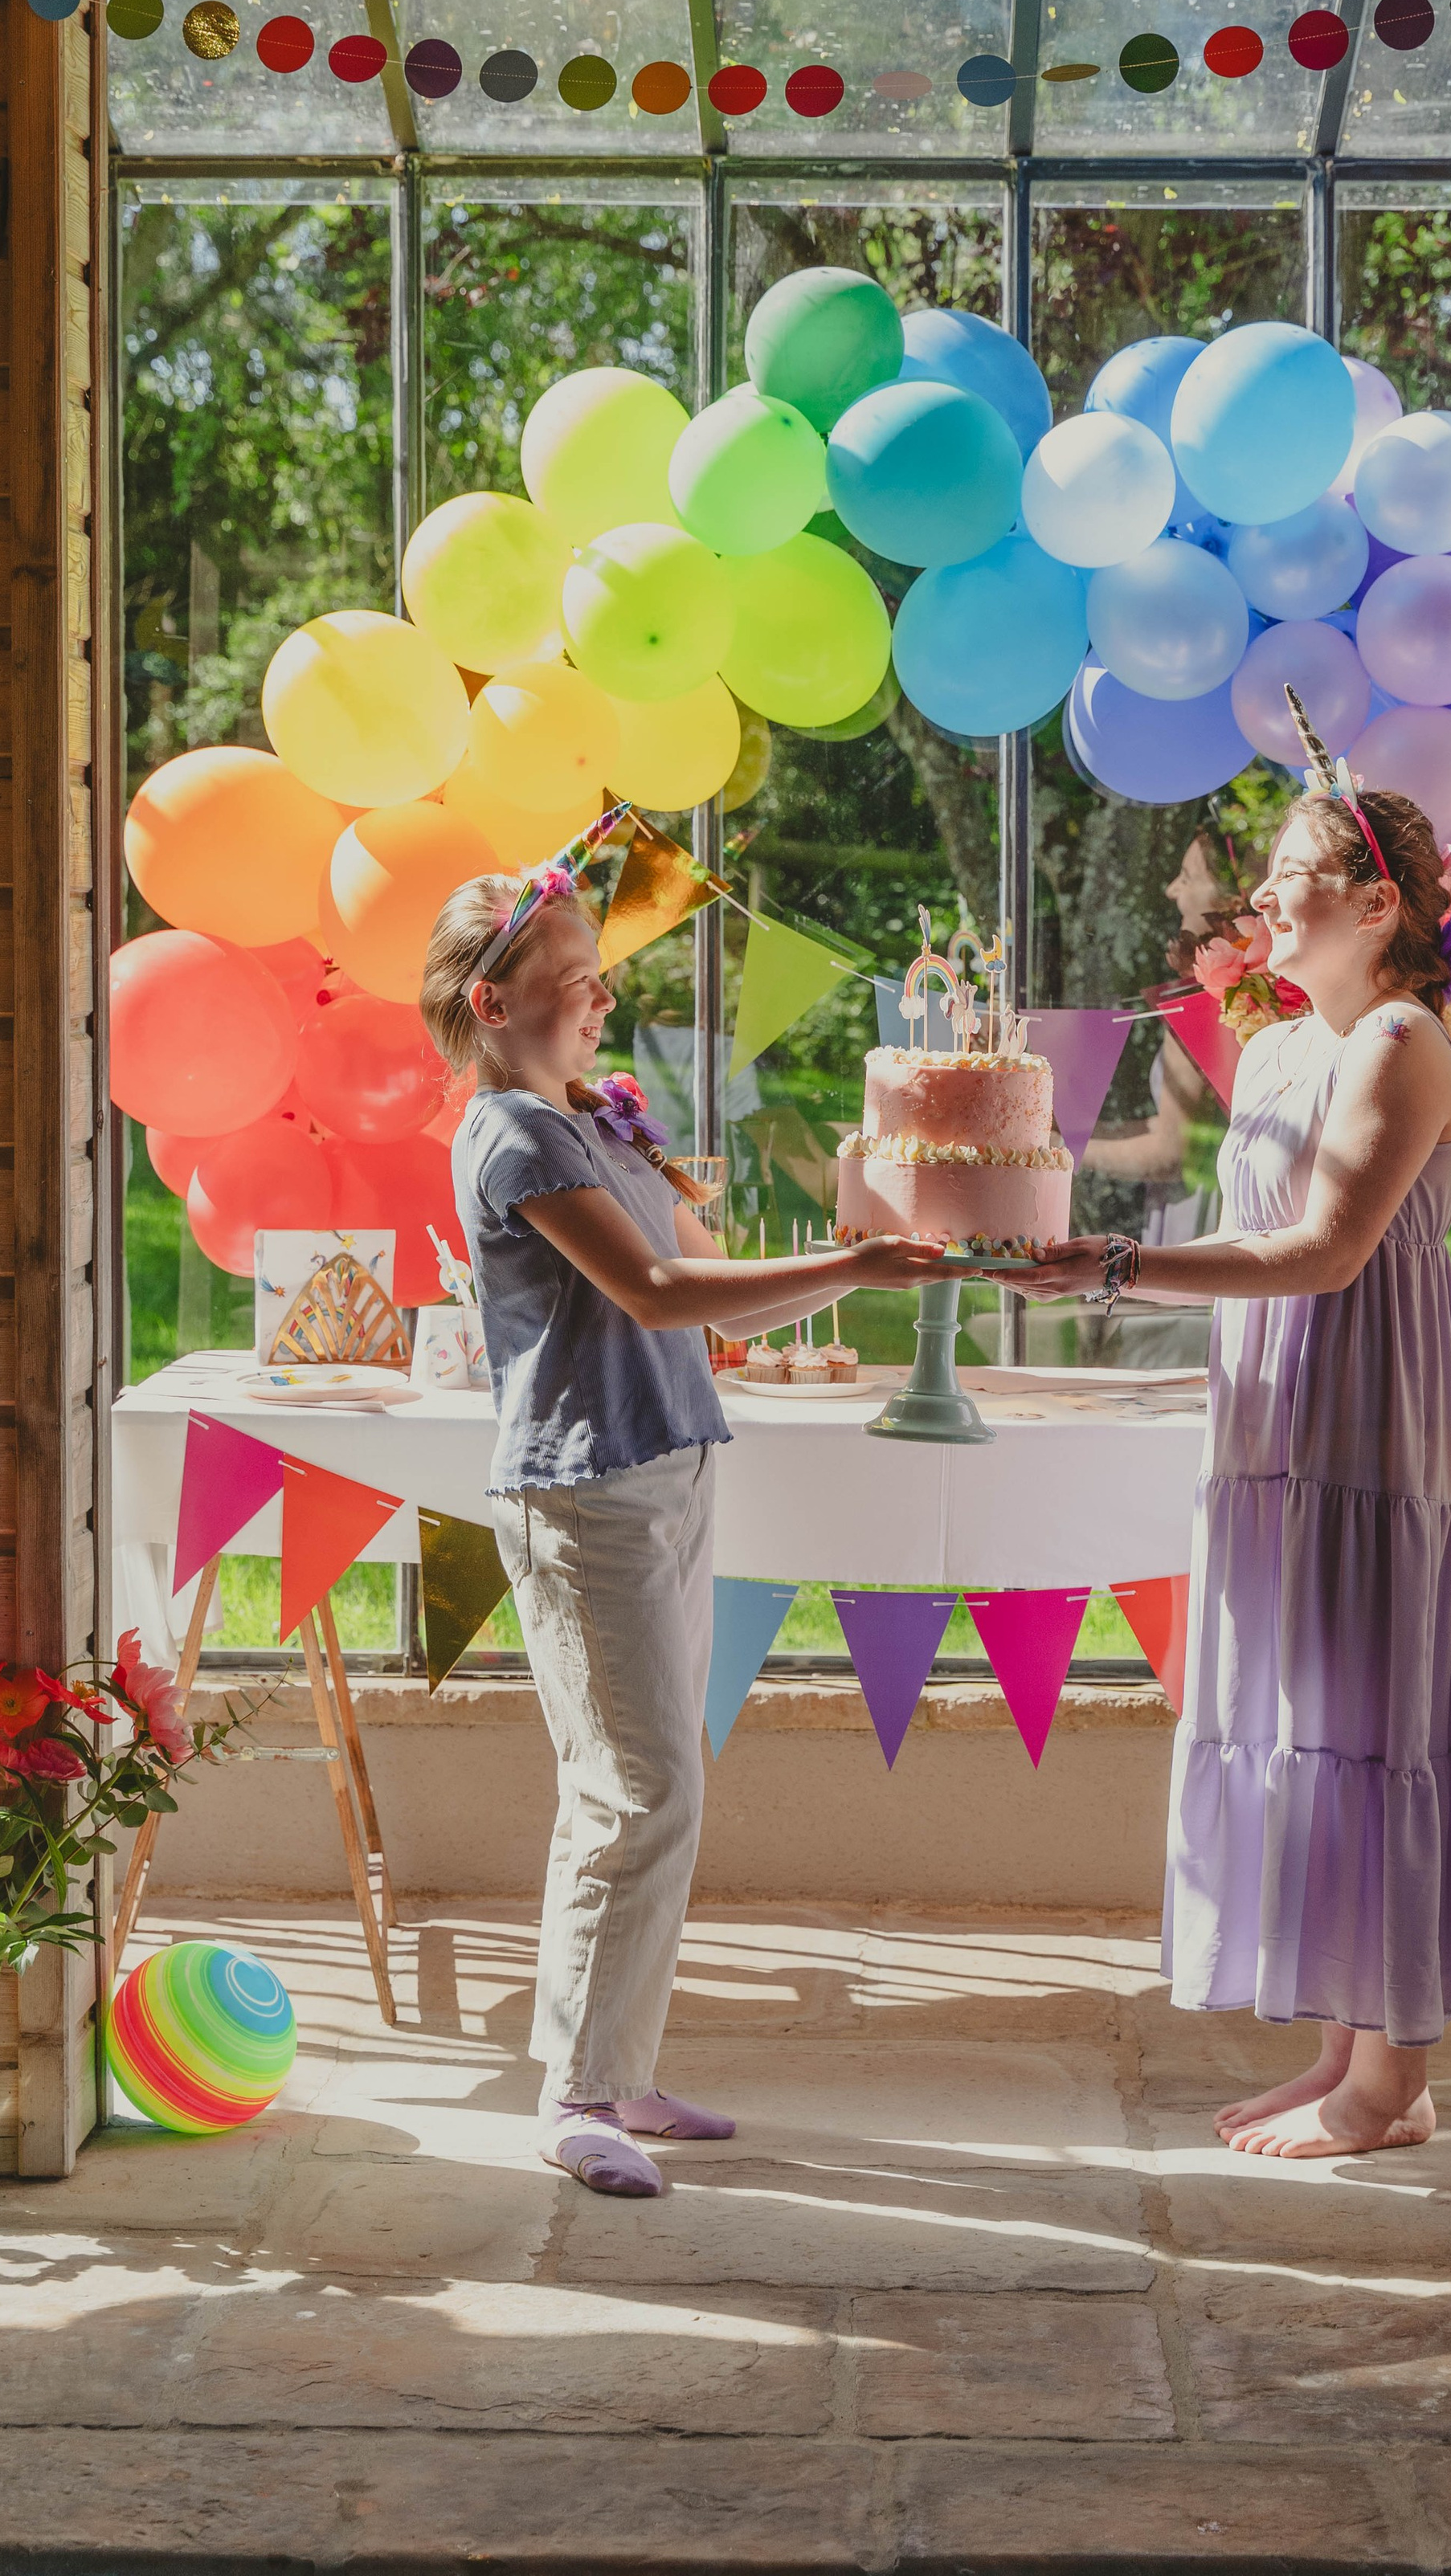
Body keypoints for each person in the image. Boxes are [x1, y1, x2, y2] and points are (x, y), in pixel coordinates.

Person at [1028, 760, 1451, 2158]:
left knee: (1376, 1721)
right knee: (1310, 1716)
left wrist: (1118, 1269)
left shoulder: (1402, 1044)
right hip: (1271, 1420)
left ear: (1377, 902)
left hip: (1370, 1421)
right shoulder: (1268, 1048)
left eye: (1292, 871)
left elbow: (1327, 1254)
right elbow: (1252, 1244)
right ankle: (1345, 2053)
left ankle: (1395, 2084)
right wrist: (1096, 1260)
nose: (1260, 892)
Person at [420, 851, 953, 2198]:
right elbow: (657, 1292)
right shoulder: (516, 1134)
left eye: (604, 978)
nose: (602, 1001)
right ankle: (579, 2096)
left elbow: (709, 1288)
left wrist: (858, 1248)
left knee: (660, 1785)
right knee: (631, 1788)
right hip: (586, 1491)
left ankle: (621, 2060)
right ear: (490, 1006)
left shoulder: (590, 1122)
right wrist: (856, 1261)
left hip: (666, 1470)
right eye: (572, 984)